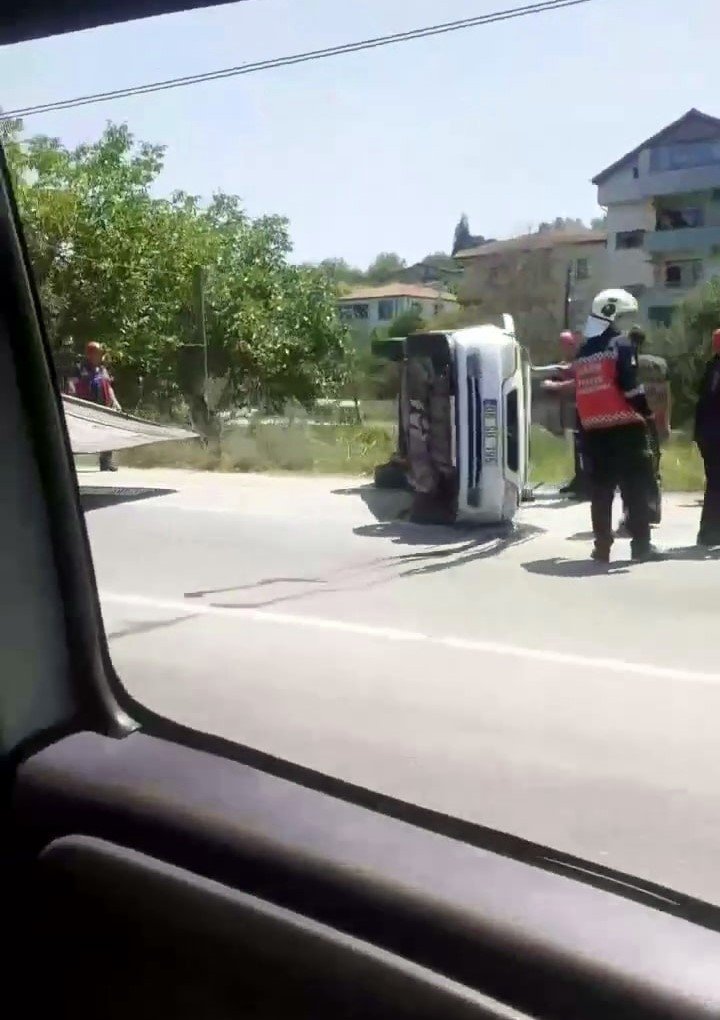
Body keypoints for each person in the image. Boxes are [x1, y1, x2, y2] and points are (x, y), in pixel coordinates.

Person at [574, 289, 662, 563]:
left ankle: (602, 547)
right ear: (612, 315)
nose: (625, 323)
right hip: (626, 429)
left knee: (601, 493)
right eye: (623, 317)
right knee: (636, 488)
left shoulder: (582, 352)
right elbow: (630, 386)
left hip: (594, 432)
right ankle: (641, 546)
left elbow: (582, 394)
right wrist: (647, 413)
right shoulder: (621, 344)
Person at [617, 325, 662, 532]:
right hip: (647, 418)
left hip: (630, 420)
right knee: (651, 467)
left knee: (630, 473)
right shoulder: (655, 364)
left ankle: (631, 514)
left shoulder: (623, 359)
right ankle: (651, 510)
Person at [548, 330, 590, 499]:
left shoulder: (581, 361)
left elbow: (578, 382)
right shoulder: (565, 363)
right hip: (572, 410)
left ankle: (586, 483)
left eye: (566, 345)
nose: (563, 349)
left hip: (584, 409)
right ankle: (579, 479)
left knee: (584, 447)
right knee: (576, 446)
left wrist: (556, 386)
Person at [70, 341, 122, 472]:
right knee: (78, 434)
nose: (100, 356)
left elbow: (108, 387)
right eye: (98, 353)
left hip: (103, 406)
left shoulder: (102, 369)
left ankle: (106, 462)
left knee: (107, 432)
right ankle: (67, 462)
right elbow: (72, 384)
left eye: (100, 354)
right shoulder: (79, 368)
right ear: (90, 354)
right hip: (86, 406)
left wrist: (115, 402)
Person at [693, 328, 720, 547]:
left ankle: (708, 532)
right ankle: (710, 532)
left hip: (706, 433)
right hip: (716, 434)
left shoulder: (710, 368)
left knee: (714, 483)